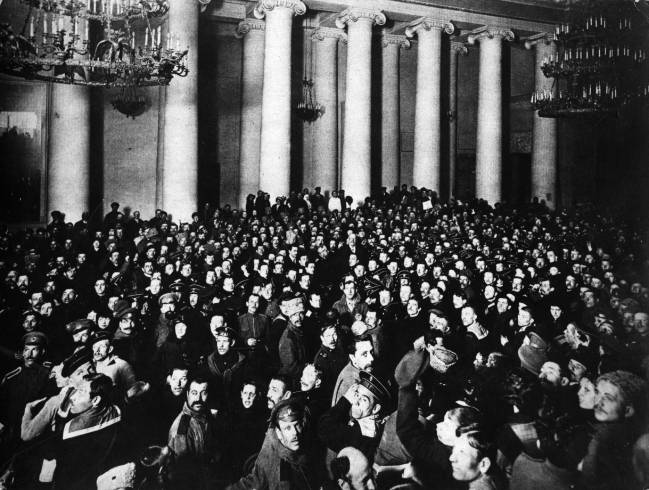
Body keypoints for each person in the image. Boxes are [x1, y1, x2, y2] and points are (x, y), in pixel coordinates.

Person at [227, 398, 319, 490]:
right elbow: (253, 482)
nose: (294, 432)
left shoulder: (314, 449)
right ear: (279, 433)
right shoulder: (273, 458)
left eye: (297, 425)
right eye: (287, 428)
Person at [53, 373, 124, 490]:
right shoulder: (114, 412)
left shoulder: (73, 433)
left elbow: (63, 477)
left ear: (95, 400)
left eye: (81, 392)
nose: (73, 397)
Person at [167, 376, 223, 489]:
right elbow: (182, 474)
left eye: (203, 393)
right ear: (187, 394)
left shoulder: (206, 416)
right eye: (194, 392)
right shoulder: (182, 427)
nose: (198, 398)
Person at [332, 334, 375, 405]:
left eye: (371, 352)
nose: (371, 358)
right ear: (352, 357)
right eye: (364, 354)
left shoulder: (359, 368)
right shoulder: (350, 380)